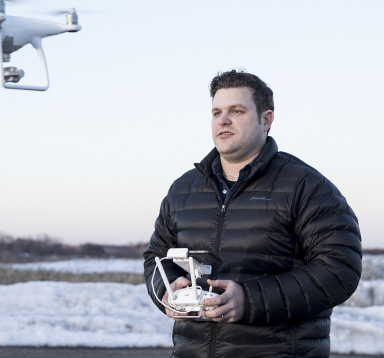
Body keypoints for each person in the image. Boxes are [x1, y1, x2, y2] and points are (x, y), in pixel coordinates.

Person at [143, 69, 362, 358]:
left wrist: (249, 300)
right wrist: (167, 289)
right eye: (217, 112)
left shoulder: (306, 186)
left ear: (266, 120)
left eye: (237, 110)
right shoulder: (184, 189)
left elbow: (339, 270)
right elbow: (156, 256)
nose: (223, 119)